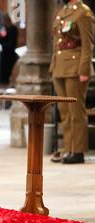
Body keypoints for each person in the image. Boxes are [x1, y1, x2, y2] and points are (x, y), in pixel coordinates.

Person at [50, 0, 94, 164]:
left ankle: (78, 151)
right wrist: (53, 66)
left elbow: (87, 44)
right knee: (65, 112)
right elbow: (57, 42)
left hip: (75, 68)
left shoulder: (84, 12)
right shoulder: (64, 10)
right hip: (60, 67)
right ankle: (69, 147)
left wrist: (84, 70)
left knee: (76, 111)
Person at [0, 13, 19, 87]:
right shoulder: (3, 28)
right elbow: (0, 39)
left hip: (9, 55)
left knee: (8, 73)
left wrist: (2, 46)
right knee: (3, 75)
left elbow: (12, 43)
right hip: (3, 55)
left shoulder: (13, 28)